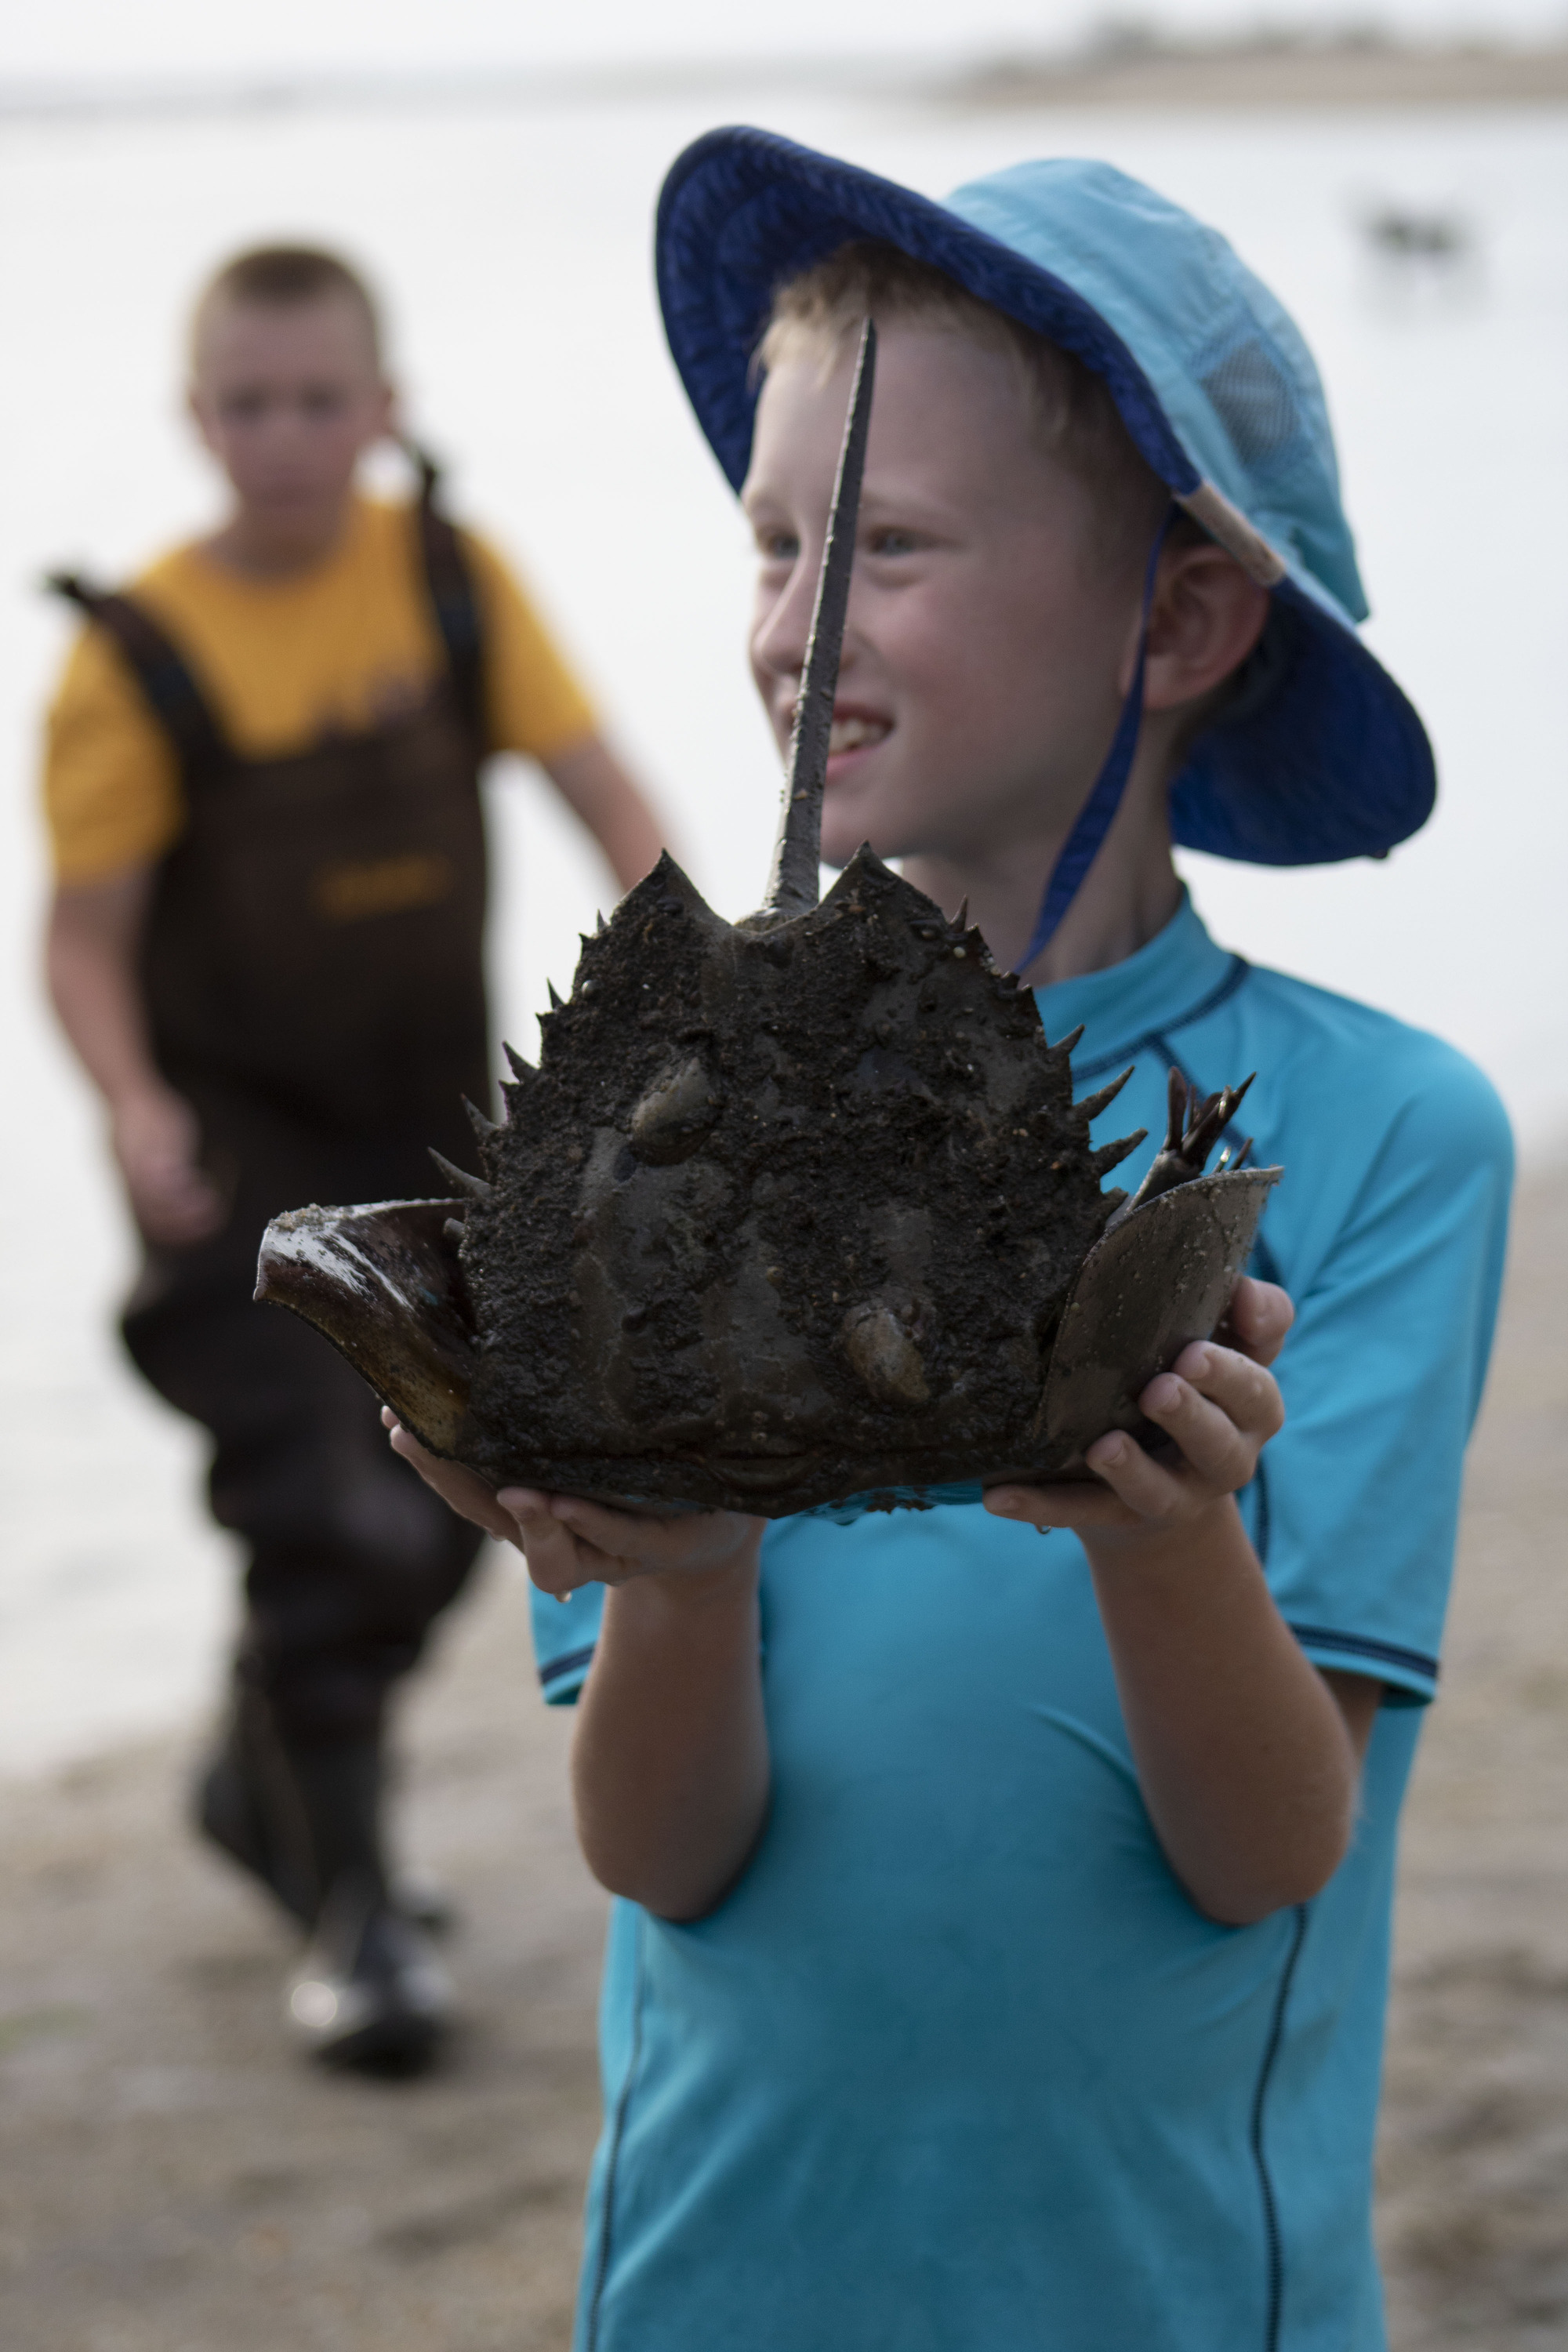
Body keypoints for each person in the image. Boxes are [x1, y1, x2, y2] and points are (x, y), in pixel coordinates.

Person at [390, 132, 1512, 2343]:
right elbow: (665, 1858)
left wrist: (1161, 1530)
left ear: (1179, 618)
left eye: (887, 545)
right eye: (776, 544)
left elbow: (1270, 1854)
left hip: (1177, 2294)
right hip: (719, 2283)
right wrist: (682, 1563)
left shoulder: (1377, 1141)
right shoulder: (673, 1117)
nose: (797, 628)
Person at [42, 243, 664, 2070]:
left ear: (385, 412)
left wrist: (689, 1017)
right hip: (233, 1169)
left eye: (323, 401)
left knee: (454, 1499)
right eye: (250, 404)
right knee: (322, 1513)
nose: (288, 437)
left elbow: (612, 807)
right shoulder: (131, 655)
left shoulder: (454, 585)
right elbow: (78, 940)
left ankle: (265, 1788)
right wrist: (131, 1107)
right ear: (195, 421)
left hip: (435, 1138)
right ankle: (357, 1915)